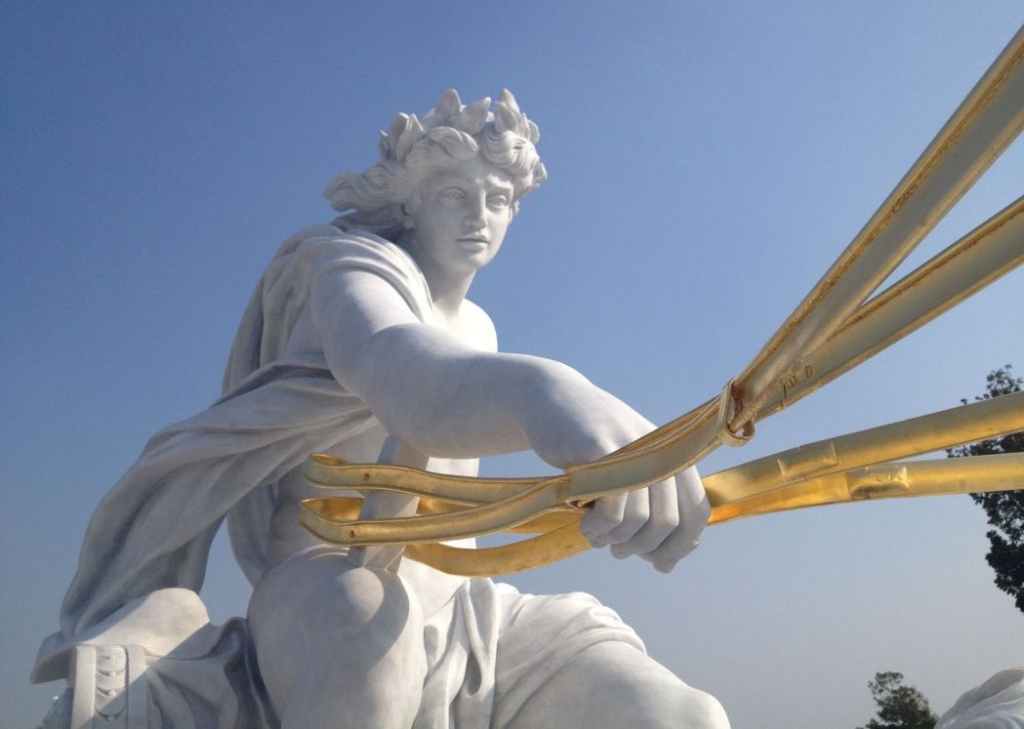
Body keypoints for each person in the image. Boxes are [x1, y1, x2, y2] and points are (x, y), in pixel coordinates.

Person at [33, 90, 729, 729]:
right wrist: (548, 392)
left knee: (677, 713)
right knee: (362, 637)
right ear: (409, 204)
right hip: (327, 589)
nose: (478, 217)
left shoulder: (481, 327)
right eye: (454, 194)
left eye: (496, 199)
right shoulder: (344, 269)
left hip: (462, 612)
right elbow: (405, 373)